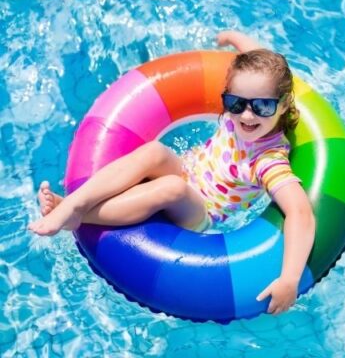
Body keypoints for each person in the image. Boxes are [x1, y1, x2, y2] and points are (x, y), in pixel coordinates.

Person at [28, 30, 315, 315]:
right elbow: (256, 65)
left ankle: (78, 214)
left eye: (262, 106)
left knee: (171, 188)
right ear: (227, 96)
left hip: (200, 210)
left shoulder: (268, 160)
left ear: (284, 104)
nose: (247, 115)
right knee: (155, 152)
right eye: (236, 104)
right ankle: (77, 201)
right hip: (186, 170)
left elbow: (300, 213)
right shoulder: (246, 100)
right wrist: (237, 39)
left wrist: (290, 278)